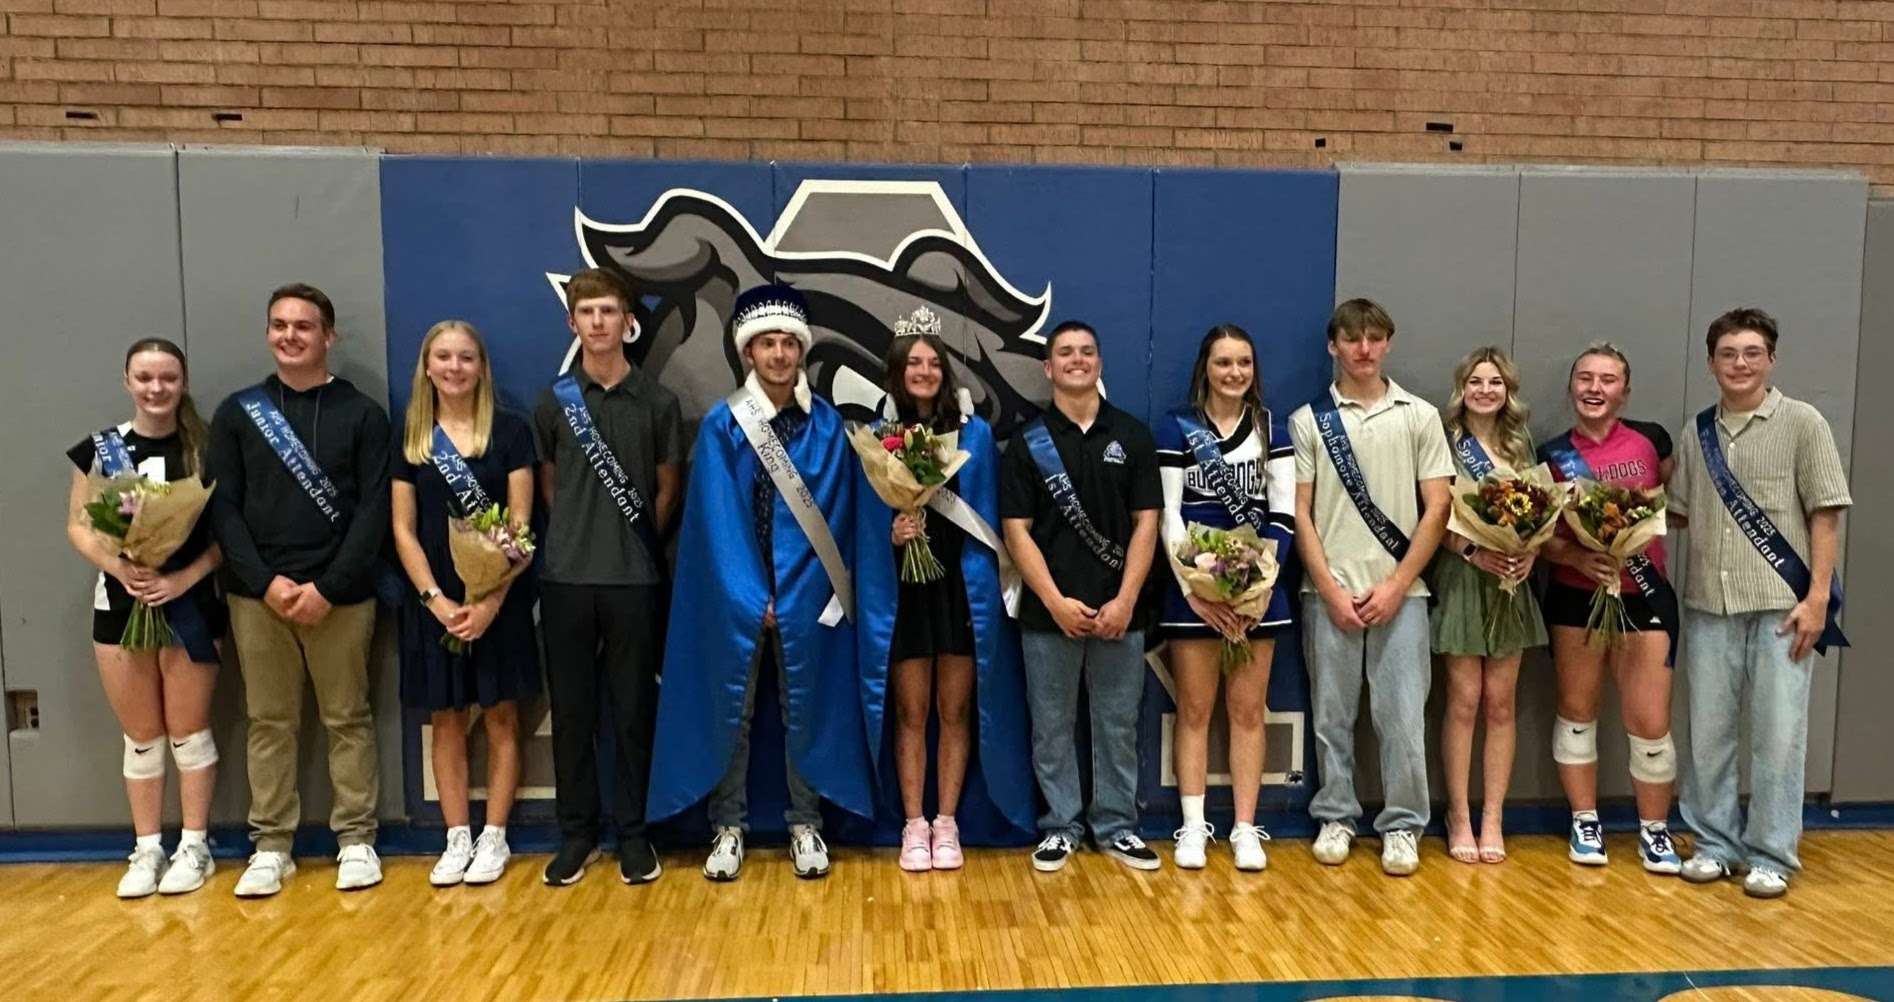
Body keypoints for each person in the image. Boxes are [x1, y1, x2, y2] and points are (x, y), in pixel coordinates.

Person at [648, 283, 872, 881]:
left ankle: (806, 823)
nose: (778, 354)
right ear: (748, 353)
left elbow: (841, 515)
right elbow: (716, 521)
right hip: (740, 598)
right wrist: (752, 597)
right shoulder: (724, 425)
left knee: (808, 708)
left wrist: (803, 593)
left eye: (787, 344)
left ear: (801, 352)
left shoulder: (826, 427)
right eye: (766, 343)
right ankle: (729, 825)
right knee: (734, 711)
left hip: (808, 595)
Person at [207, 283, 390, 897]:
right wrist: (265, 582)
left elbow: (373, 511)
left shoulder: (362, 414)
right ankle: (272, 846)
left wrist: (329, 587)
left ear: (328, 336)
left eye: (303, 326)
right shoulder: (239, 413)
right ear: (268, 334)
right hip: (258, 596)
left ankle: (357, 839)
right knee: (269, 721)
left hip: (341, 594)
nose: (290, 336)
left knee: (347, 718)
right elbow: (222, 508)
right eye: (279, 325)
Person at [1673, 308, 1851, 899]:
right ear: (1711, 363)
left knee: (1778, 736)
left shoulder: (1803, 423)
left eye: (1752, 353)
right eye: (1728, 354)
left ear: (1771, 359)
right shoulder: (1695, 433)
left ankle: (1771, 852)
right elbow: (1676, 510)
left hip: (1783, 608)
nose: (1740, 364)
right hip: (1707, 604)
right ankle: (1715, 844)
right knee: (1709, 735)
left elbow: (1826, 511)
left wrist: (1818, 597)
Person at [856, 308, 1035, 872]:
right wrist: (894, 531)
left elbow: (985, 511)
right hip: (907, 590)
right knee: (911, 710)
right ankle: (913, 823)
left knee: (954, 708)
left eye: (934, 363)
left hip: (959, 588)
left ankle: (947, 822)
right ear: (897, 372)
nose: (925, 371)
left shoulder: (975, 434)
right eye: (914, 363)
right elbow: (860, 523)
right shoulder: (878, 438)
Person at [532, 268, 683, 887]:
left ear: (628, 322)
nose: (598, 322)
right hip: (566, 576)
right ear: (572, 323)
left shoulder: (658, 402)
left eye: (608, 312)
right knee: (571, 713)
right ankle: (577, 834)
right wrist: (577, 533)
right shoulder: (554, 401)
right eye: (587, 312)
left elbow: (668, 486)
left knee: (631, 711)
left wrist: (635, 539)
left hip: (634, 579)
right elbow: (548, 484)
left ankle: (634, 834)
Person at [1290, 298, 1451, 877]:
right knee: (1332, 717)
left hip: (1401, 596)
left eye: (1375, 338)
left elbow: (1437, 509)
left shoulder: (1420, 415)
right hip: (1327, 595)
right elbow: (1300, 514)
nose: (1363, 349)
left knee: (1403, 718)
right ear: (1333, 346)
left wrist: (1398, 583)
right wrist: (1329, 589)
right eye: (1352, 339)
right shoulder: (1307, 420)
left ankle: (1404, 824)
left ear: (1388, 344)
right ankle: (1336, 813)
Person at [65, 337, 226, 898]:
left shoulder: (206, 448)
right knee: (141, 737)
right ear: (127, 381)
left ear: (183, 382)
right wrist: (120, 564)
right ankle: (148, 847)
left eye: (168, 378)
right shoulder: (102, 448)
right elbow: (80, 525)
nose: (156, 388)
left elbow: (226, 538)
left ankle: (195, 846)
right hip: (120, 606)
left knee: (188, 733)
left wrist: (180, 578)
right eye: (145, 378)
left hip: (190, 603)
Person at [1001, 319, 1164, 873]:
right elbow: (1016, 530)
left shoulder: (1133, 435)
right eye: (1065, 353)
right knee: (1051, 726)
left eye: (1087, 352)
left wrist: (1124, 600)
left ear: (1099, 363)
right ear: (1048, 368)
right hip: (1051, 613)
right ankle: (1061, 826)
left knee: (1117, 723)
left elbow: (1149, 523)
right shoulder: (1026, 443)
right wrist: (1052, 600)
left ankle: (1117, 826)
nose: (1077, 360)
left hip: (1123, 610)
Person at [391, 320, 541, 887]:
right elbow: (403, 530)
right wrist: (434, 599)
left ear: (482, 367)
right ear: (427, 366)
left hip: (496, 603)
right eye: (444, 357)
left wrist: (490, 599)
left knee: (503, 718)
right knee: (446, 721)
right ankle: (457, 836)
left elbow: (522, 525)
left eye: (466, 358)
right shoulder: (409, 438)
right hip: (435, 604)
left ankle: (494, 836)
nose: (455, 368)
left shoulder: (510, 432)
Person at [1537, 342, 1683, 875]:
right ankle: (1585, 821)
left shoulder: (1652, 441)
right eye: (1585, 378)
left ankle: (1655, 830)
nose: (1594, 388)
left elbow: (1676, 506)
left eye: (1607, 379)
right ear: (1571, 387)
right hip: (1576, 594)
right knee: (1578, 711)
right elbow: (1540, 537)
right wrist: (1577, 552)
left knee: (1649, 720)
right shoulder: (1550, 453)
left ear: (1625, 389)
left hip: (1645, 594)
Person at [1155, 324, 1295, 873]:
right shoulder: (1177, 427)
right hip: (1194, 588)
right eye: (1223, 363)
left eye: (1243, 363)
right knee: (1192, 710)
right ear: (1205, 369)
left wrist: (1262, 587)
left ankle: (1243, 827)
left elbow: (1282, 513)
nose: (1234, 373)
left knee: (1247, 713)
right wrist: (1194, 589)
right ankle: (1192, 826)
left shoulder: (1271, 428)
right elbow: (1171, 515)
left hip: (1259, 591)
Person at [1430, 347, 1546, 865]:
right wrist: (1472, 551)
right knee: (1464, 700)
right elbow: (1430, 515)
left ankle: (1493, 815)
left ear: (1508, 391)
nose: (1484, 390)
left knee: (1501, 702)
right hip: (1462, 576)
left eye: (1494, 382)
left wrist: (1529, 554)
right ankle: (1458, 812)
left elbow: (1542, 513)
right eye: (1475, 380)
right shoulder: (1443, 442)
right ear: (1462, 387)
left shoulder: (1521, 447)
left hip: (1511, 583)